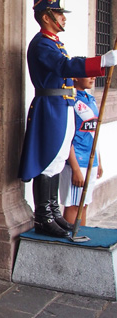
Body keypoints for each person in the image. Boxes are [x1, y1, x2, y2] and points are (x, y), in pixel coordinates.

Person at [18, 0, 116, 238]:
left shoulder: (55, 43)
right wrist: (100, 62)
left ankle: (53, 213)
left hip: (62, 106)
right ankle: (44, 217)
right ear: (47, 15)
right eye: (60, 13)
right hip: (51, 107)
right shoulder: (42, 44)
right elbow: (64, 67)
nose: (64, 18)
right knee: (49, 161)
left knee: (59, 157)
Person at [59, 76, 103, 227]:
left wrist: (99, 160)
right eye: (88, 74)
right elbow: (68, 136)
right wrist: (75, 168)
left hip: (91, 160)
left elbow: (93, 132)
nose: (93, 77)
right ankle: (69, 244)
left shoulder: (90, 99)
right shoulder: (70, 100)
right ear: (75, 77)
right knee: (73, 205)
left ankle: (81, 239)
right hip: (76, 160)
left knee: (83, 204)